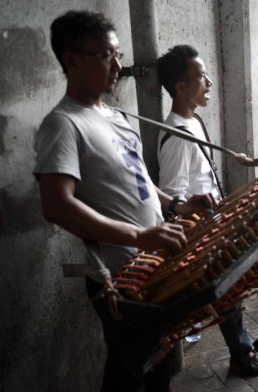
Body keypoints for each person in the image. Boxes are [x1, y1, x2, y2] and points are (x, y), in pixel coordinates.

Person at [34, 11, 217, 391]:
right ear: (72, 60)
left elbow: (141, 184)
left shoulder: (116, 116)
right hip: (123, 275)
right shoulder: (63, 123)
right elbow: (57, 205)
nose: (118, 65)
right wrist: (139, 235)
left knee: (154, 366)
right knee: (131, 371)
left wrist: (178, 206)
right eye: (106, 55)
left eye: (118, 54)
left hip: (151, 264)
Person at [156, 45, 258, 376]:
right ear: (181, 87)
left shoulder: (194, 121)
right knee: (227, 290)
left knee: (232, 288)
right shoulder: (176, 135)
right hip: (199, 231)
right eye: (202, 76)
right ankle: (242, 354)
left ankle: (243, 345)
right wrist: (201, 227)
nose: (209, 83)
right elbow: (173, 197)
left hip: (213, 224)